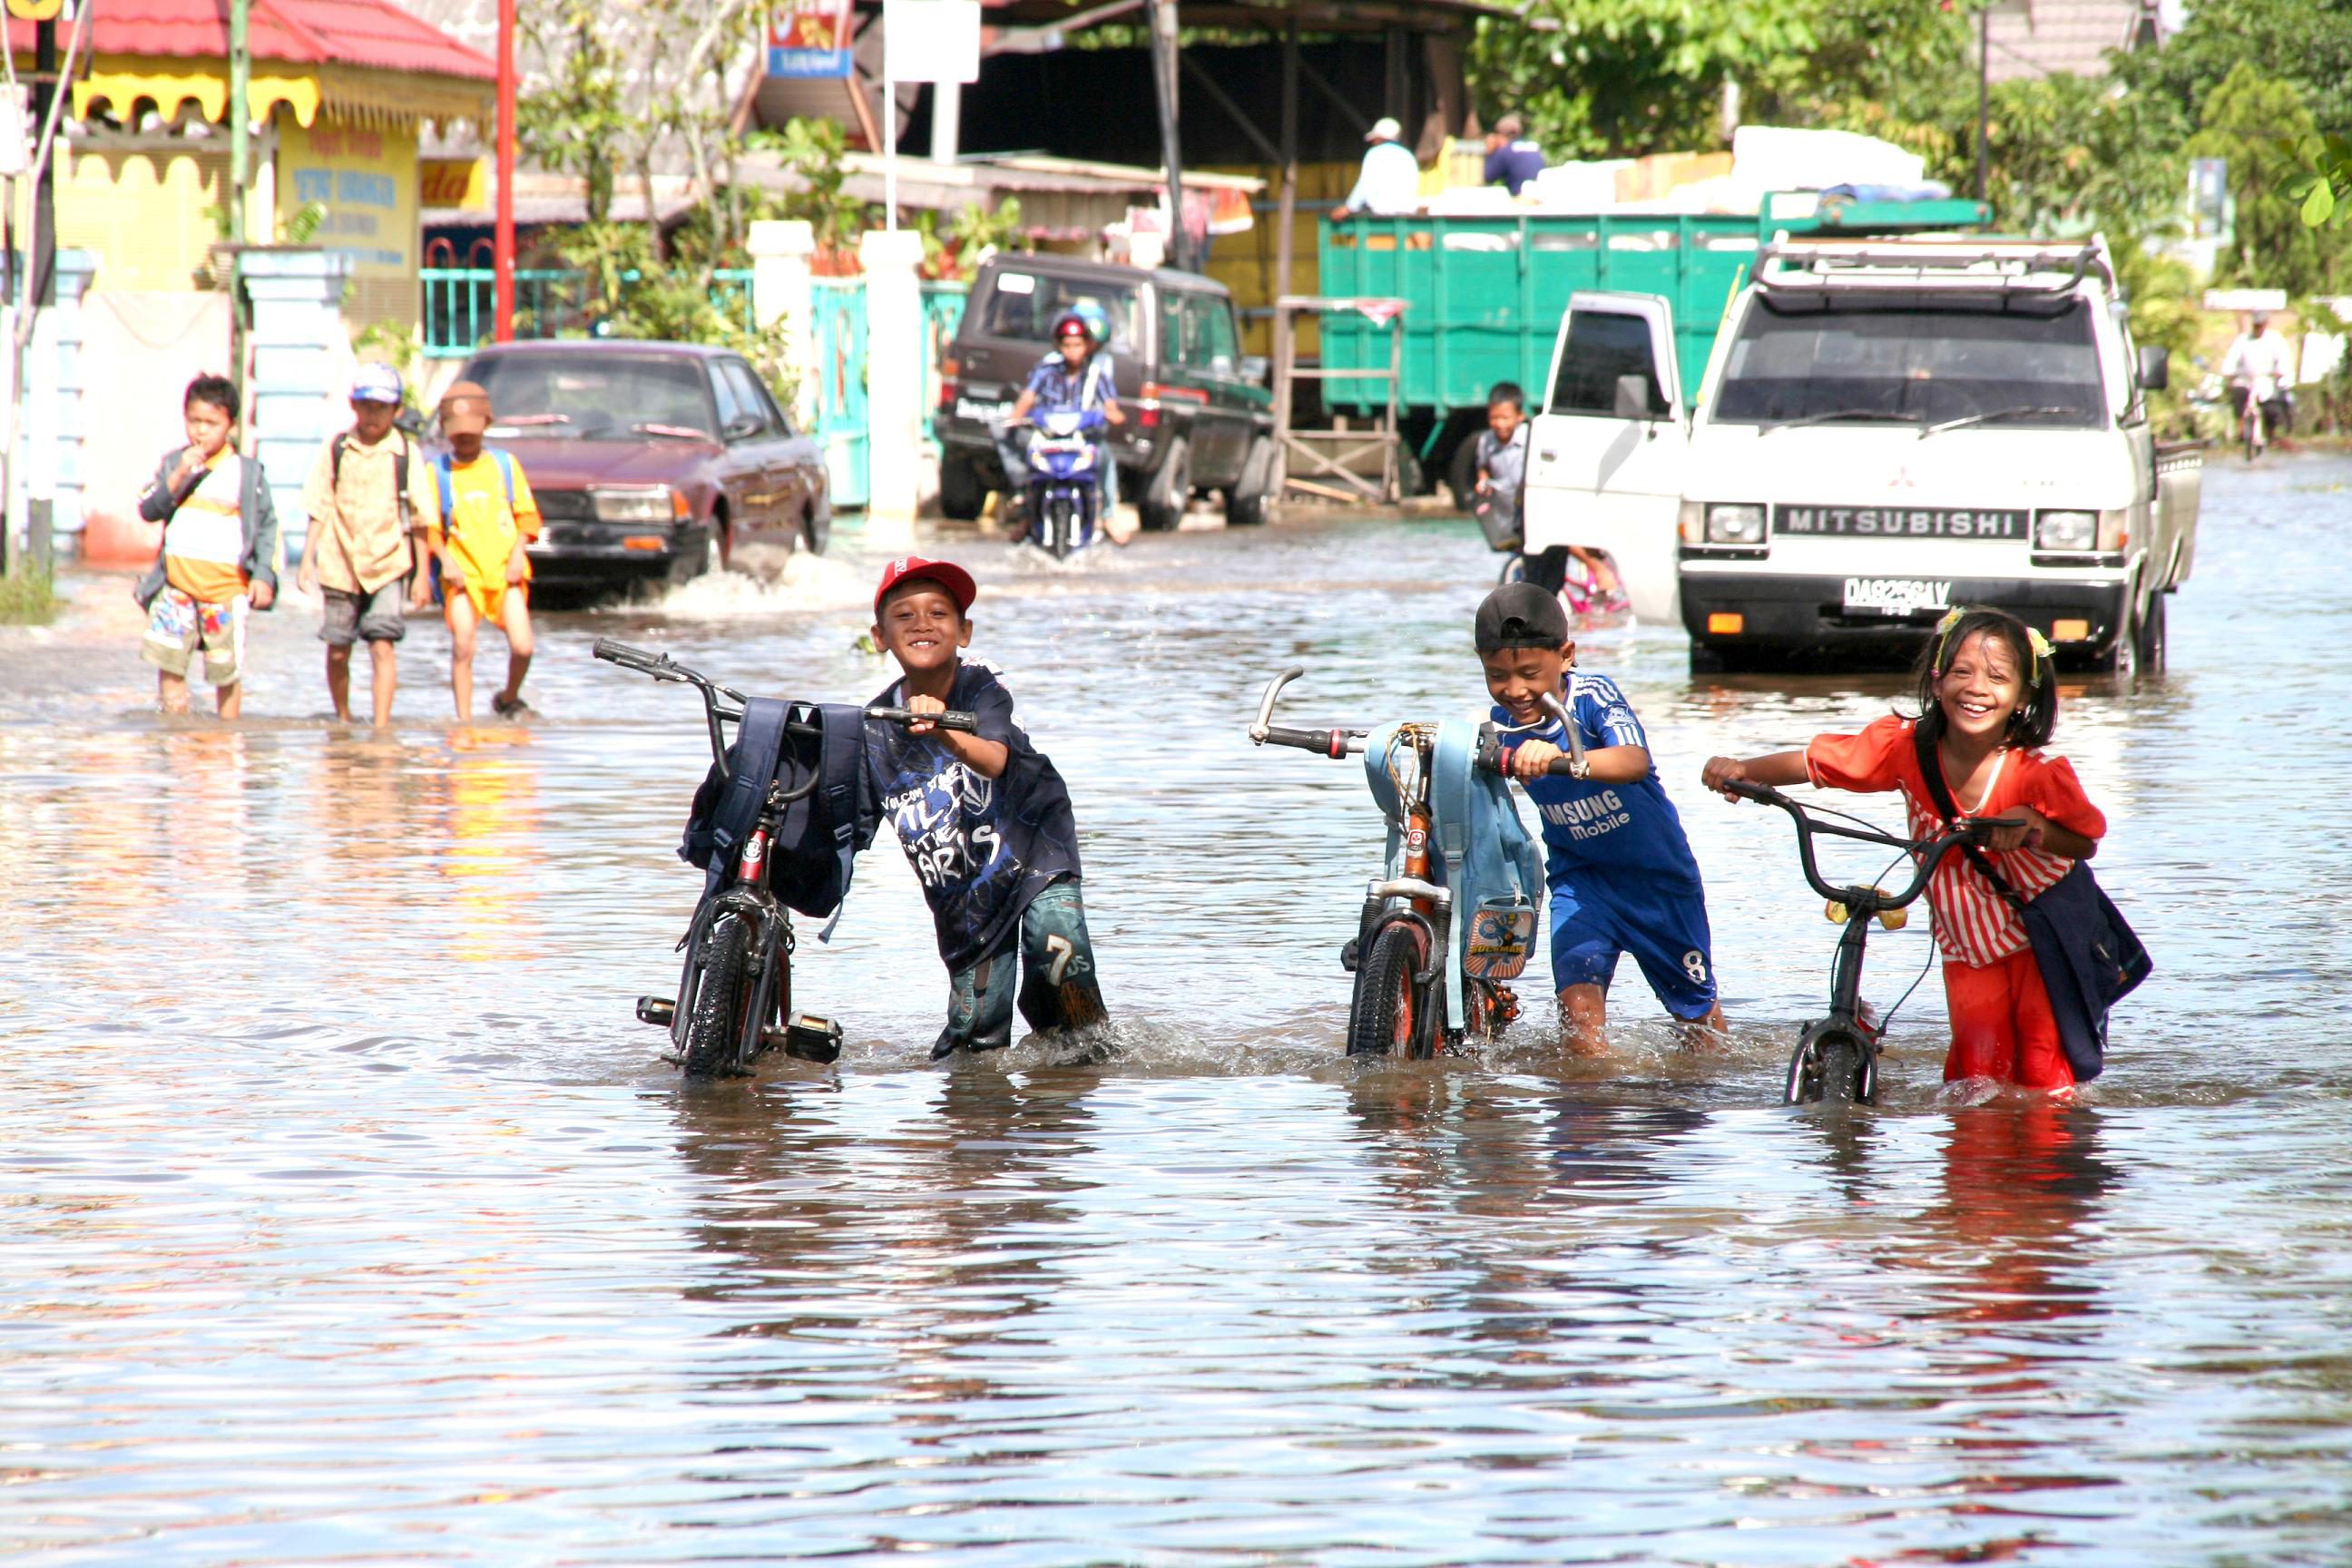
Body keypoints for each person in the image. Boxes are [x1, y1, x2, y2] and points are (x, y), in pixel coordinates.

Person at [1700, 605, 2106, 1094]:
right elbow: (1818, 764)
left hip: (2040, 938)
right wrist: (1743, 770)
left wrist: (2034, 826)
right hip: (1966, 945)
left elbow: (2084, 842)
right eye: (1962, 672)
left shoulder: (2037, 773)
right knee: (1975, 1079)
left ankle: (2046, 1163)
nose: (1978, 688)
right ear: (1936, 682)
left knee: (2043, 1078)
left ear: (2023, 697)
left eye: (1998, 678)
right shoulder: (1907, 747)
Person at [862, 555, 1110, 1061]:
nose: (923, 623)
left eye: (939, 613)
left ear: (964, 631)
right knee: (976, 1035)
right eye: (905, 615)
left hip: (1034, 846)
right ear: (879, 636)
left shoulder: (984, 687)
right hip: (966, 891)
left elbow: (994, 759)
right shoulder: (872, 728)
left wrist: (946, 731)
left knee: (1057, 944)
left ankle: (1086, 1064)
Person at [1477, 581, 1725, 1052]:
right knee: (1579, 1027)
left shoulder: (1592, 696)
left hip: (1657, 882)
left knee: (1696, 1023)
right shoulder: (1498, 725)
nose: (1515, 690)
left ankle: (1699, 1103)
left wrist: (1559, 760)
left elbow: (1633, 761)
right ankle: (1589, 1115)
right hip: (1581, 881)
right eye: (1497, 676)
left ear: (1566, 655)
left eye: (1530, 672)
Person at [298, 364, 441, 726]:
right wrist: (305, 561)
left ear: (397, 410)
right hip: (339, 562)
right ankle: (343, 718)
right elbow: (319, 504)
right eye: (366, 405)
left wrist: (423, 575)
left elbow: (422, 519)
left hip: (387, 564)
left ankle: (380, 726)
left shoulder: (406, 454)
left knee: (382, 644)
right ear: (353, 405)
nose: (372, 414)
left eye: (381, 407)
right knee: (338, 650)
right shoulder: (338, 449)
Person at [132, 373, 279, 718]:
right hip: (177, 587)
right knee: (169, 662)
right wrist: (178, 474)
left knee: (225, 670)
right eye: (194, 421)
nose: (201, 431)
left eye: (211, 423)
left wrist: (263, 576)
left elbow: (267, 527)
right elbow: (149, 509)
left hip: (225, 590)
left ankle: (227, 738)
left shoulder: (246, 472)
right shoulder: (174, 463)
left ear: (229, 424)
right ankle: (176, 729)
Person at [427, 380, 541, 720]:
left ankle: (508, 697)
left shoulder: (505, 466)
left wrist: (519, 553)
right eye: (457, 433)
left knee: (523, 646)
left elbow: (528, 517)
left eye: (471, 432)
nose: (464, 439)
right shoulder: (437, 472)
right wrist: (445, 561)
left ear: (486, 425)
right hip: (462, 573)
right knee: (463, 644)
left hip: (505, 571)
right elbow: (429, 528)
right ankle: (464, 722)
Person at [1476, 384, 1626, 611]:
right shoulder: (1485, 441)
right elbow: (1483, 467)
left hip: (1536, 502)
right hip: (1512, 508)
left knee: (1557, 537)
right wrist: (1482, 481)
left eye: (1505, 417)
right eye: (1494, 418)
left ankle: (1599, 569)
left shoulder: (1531, 437)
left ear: (1519, 417)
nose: (1499, 424)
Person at [997, 309, 1125, 529]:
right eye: (1067, 345)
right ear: (1059, 346)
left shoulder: (1096, 375)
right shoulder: (1047, 371)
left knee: (1104, 456)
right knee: (1008, 439)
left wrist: (1110, 415)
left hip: (1081, 440)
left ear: (1087, 345)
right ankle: (1027, 509)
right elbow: (1028, 397)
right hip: (1048, 438)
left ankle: (1108, 515)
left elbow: (1112, 408)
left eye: (1077, 345)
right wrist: (1015, 417)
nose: (1072, 351)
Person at [2220, 310, 2295, 437]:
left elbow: (2284, 361)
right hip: (2246, 379)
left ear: (2265, 324)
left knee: (2271, 407)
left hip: (2266, 379)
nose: (2258, 328)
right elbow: (2231, 360)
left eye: (2260, 325)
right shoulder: (2243, 340)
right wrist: (2229, 372)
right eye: (2256, 325)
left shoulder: (2275, 340)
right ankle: (2241, 427)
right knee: (2239, 394)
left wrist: (2280, 372)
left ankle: (2271, 432)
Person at [1332, 115, 1421, 220]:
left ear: (1379, 138)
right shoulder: (1408, 155)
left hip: (1380, 214)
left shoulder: (1374, 154)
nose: (1373, 142)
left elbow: (1365, 184)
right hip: (1407, 214)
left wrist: (1349, 207)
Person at [1482, 113, 1544, 197]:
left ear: (1500, 135)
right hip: (1540, 197)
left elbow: (1488, 177)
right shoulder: (1534, 146)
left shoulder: (1504, 151)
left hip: (1521, 199)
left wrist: (1489, 152)